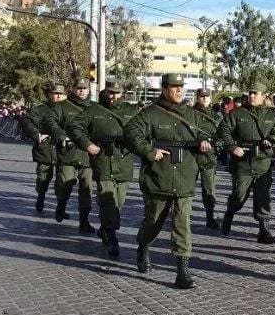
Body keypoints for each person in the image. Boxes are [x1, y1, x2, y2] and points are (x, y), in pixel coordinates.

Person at [124, 74, 212, 289]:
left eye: (181, 87)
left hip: (184, 177)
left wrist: (204, 143)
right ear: (164, 89)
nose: (179, 91)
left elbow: (210, 133)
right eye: (174, 87)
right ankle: (143, 245)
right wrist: (148, 151)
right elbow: (130, 133)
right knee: (153, 221)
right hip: (159, 176)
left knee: (183, 224)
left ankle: (182, 271)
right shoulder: (150, 114)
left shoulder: (192, 115)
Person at [68, 80, 140, 258]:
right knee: (107, 198)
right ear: (104, 92)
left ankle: (105, 227)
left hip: (123, 159)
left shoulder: (131, 111)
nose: (113, 96)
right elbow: (74, 127)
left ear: (122, 93)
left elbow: (144, 131)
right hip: (103, 159)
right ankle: (112, 236)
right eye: (110, 92)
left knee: (119, 201)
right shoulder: (94, 110)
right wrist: (87, 144)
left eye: (116, 92)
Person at [218, 82, 275, 243]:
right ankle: (229, 214)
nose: (252, 96)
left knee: (263, 197)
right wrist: (232, 147)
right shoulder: (238, 113)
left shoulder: (271, 115)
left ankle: (264, 230)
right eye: (250, 93)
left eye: (256, 93)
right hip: (243, 162)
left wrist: (271, 140)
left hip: (263, 162)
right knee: (239, 196)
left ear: (263, 96)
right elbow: (223, 130)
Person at [44, 78, 95, 232]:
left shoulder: (95, 108)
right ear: (72, 89)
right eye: (78, 88)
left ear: (88, 90)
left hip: (88, 155)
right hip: (67, 153)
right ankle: (61, 205)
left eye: (84, 88)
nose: (81, 91)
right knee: (64, 184)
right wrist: (61, 135)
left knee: (86, 189)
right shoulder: (62, 107)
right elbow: (50, 121)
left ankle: (84, 221)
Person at [20, 82, 65, 212]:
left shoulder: (68, 109)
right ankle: (41, 196)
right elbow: (26, 121)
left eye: (60, 94)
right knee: (43, 177)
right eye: (55, 94)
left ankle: (61, 205)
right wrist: (36, 134)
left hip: (64, 149)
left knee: (63, 179)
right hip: (46, 148)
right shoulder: (41, 109)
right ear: (49, 94)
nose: (57, 97)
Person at [192, 88, 222, 228]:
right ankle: (178, 216)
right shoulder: (189, 114)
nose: (204, 98)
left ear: (211, 98)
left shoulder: (216, 116)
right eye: (201, 96)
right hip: (190, 156)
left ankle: (210, 217)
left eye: (206, 96)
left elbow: (222, 134)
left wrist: (211, 142)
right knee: (184, 189)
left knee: (209, 190)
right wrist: (199, 141)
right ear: (197, 97)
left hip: (209, 158)